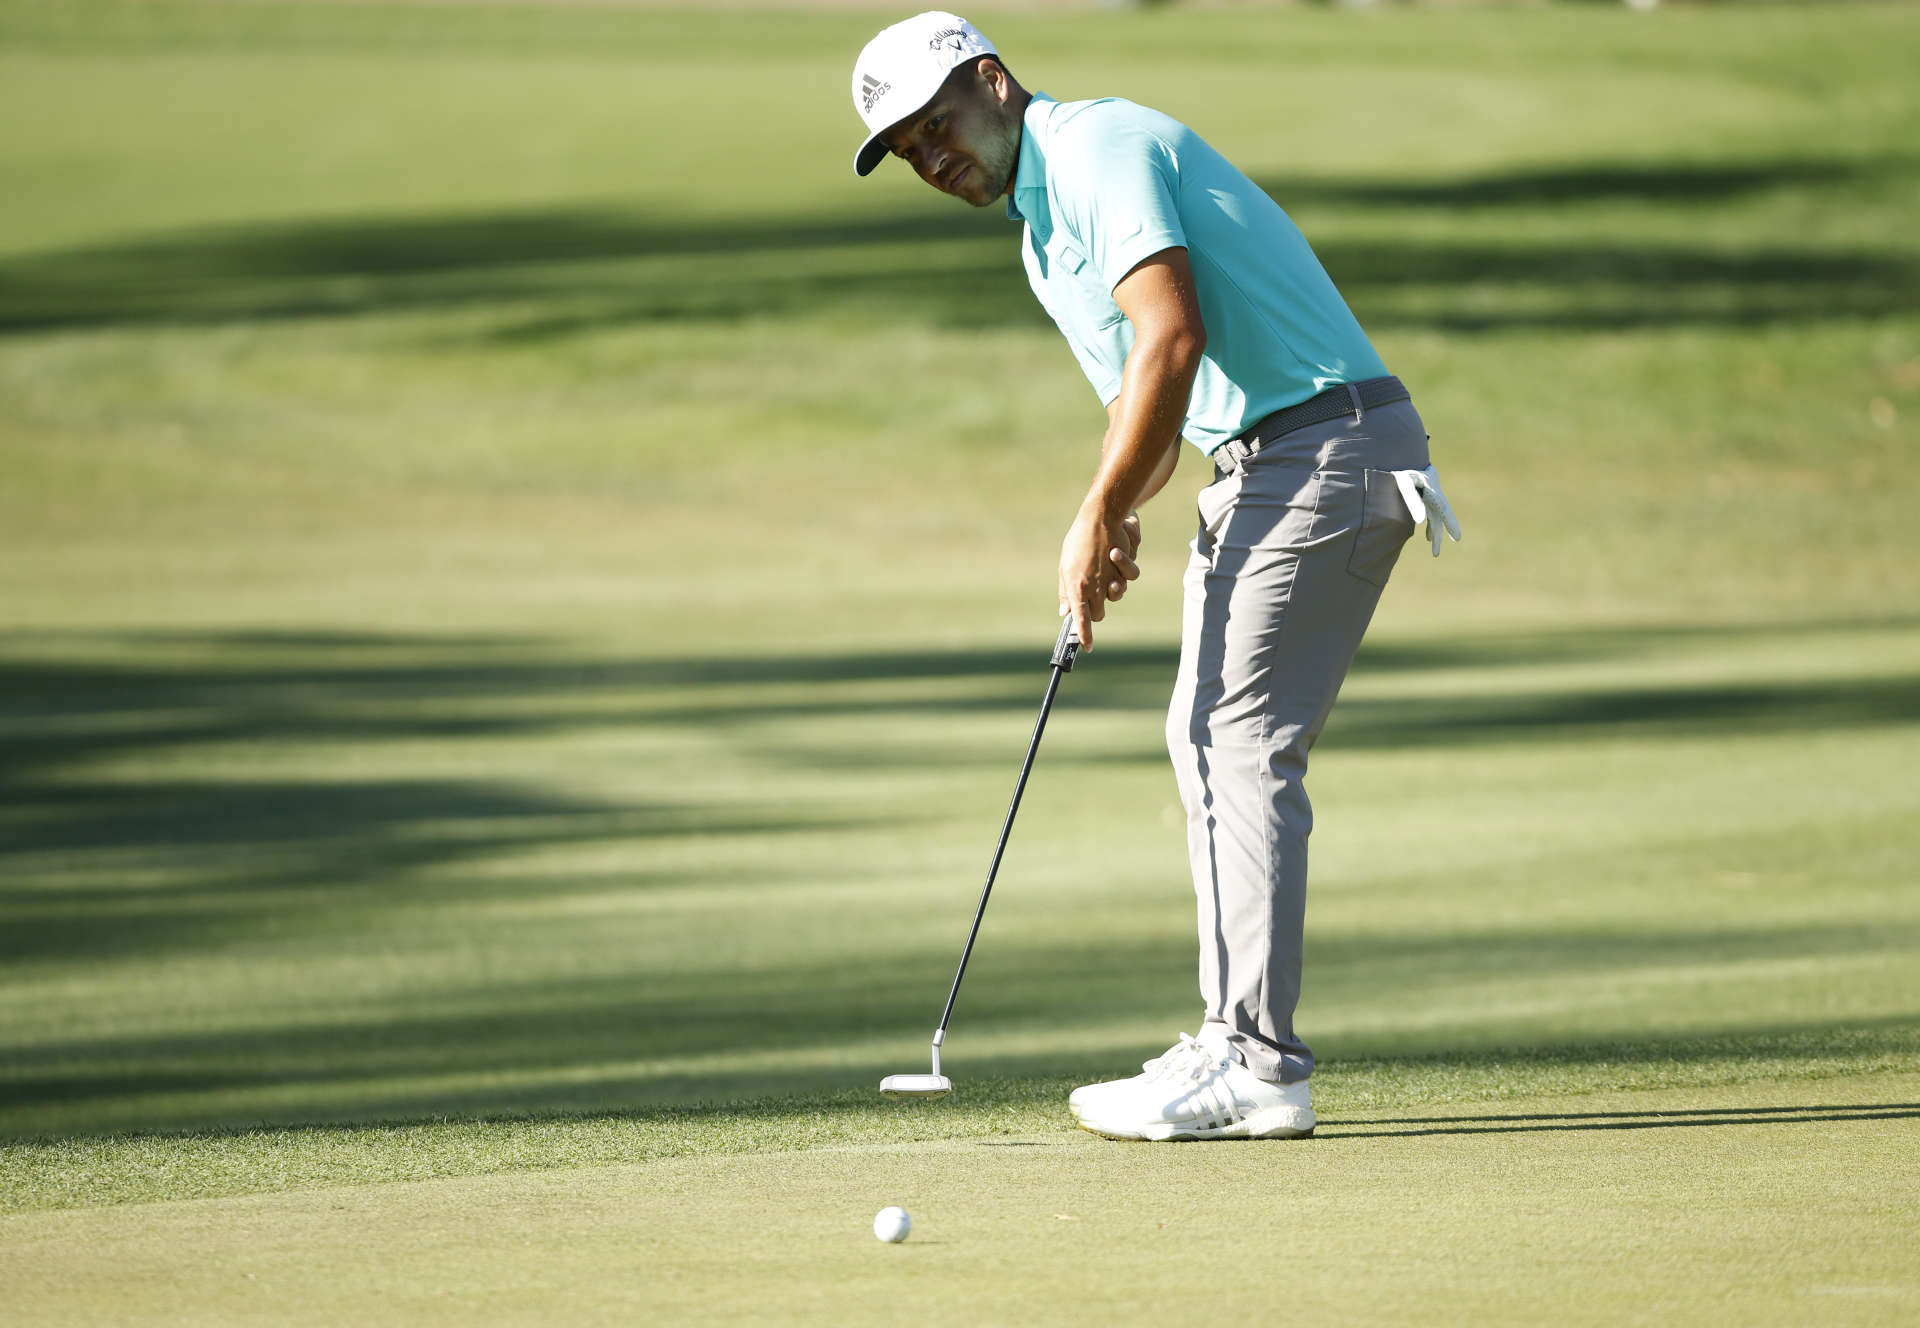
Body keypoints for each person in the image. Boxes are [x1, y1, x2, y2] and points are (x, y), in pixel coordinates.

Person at [848, 12, 1460, 1141]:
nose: (932, 157)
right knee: (1207, 734)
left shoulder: (1093, 148)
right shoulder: (1040, 233)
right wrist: (1120, 500)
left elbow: (1171, 338)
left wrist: (1098, 510)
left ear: (992, 80)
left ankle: (1256, 1060)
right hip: (1274, 459)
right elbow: (1151, 394)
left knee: (1234, 737)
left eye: (937, 123)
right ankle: (1238, 1040)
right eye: (907, 149)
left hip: (1322, 444)